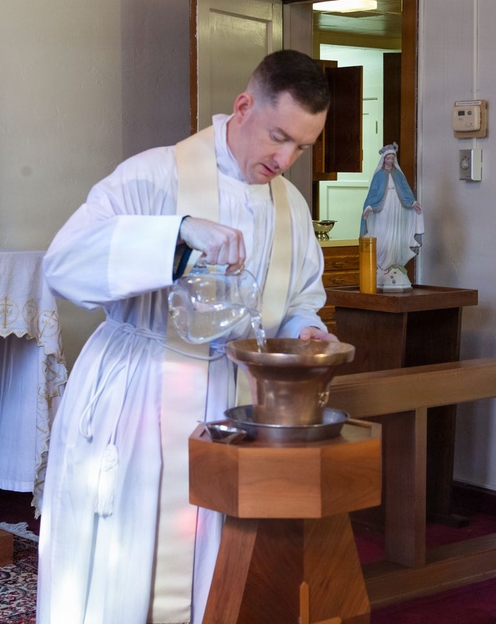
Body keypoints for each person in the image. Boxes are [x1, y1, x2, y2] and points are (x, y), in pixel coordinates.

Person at [37, 49, 338, 624]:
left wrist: (306, 330)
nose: (285, 159)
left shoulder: (292, 207)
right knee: (131, 559)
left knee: (220, 565)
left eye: (302, 146)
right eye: (278, 136)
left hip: (234, 399)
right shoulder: (152, 175)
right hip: (142, 394)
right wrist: (176, 236)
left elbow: (298, 299)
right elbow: (64, 262)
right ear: (243, 106)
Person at [360, 142, 424, 290]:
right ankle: (381, 266)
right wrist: (369, 206)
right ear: (384, 159)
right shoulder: (379, 175)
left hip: (396, 207)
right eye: (388, 158)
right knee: (382, 233)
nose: (390, 161)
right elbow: (373, 193)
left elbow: (406, 191)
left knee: (396, 234)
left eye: (392, 158)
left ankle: (394, 262)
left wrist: (413, 202)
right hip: (383, 209)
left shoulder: (397, 174)